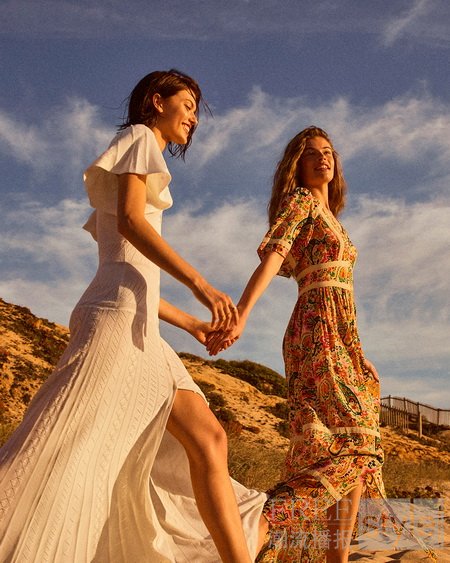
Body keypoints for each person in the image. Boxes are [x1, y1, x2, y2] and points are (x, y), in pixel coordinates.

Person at [0, 69, 268, 563]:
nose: (194, 118)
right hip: (114, 322)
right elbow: (129, 222)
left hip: (136, 322)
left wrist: (192, 324)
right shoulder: (139, 137)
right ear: (156, 101)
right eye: (188, 105)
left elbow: (132, 271)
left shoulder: (140, 152)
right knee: (59, 445)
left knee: (209, 438)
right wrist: (202, 286)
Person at [206, 126, 393, 562]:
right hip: (315, 331)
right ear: (298, 164)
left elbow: (343, 294)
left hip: (341, 335)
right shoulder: (302, 202)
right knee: (356, 444)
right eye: (311, 153)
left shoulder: (334, 219)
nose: (323, 158)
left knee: (351, 444)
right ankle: (261, 527)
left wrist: (359, 353)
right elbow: (275, 257)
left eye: (328, 152)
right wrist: (242, 313)